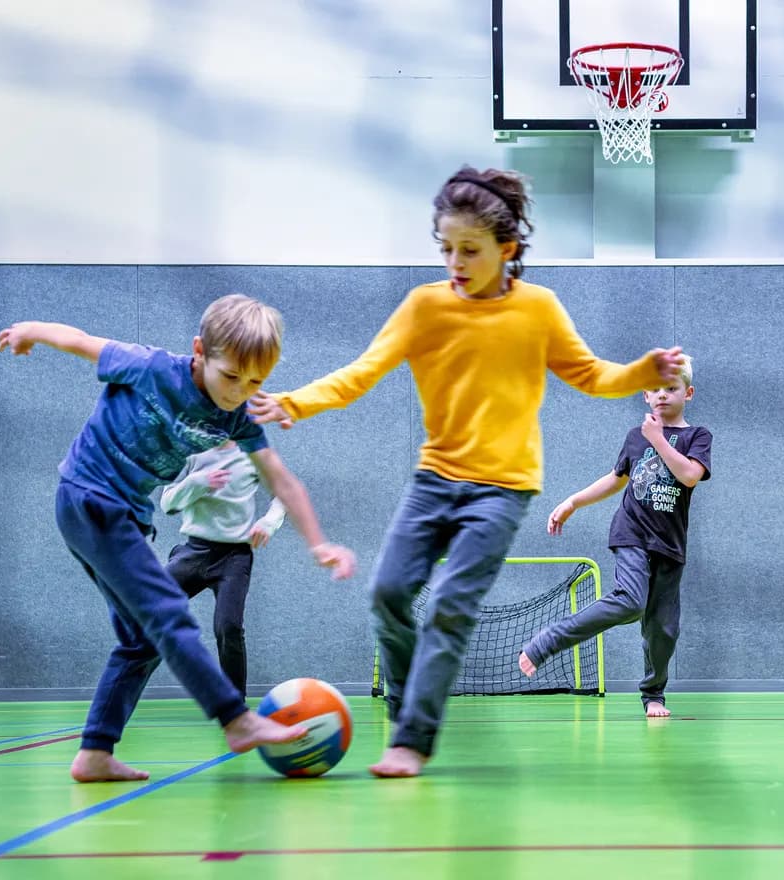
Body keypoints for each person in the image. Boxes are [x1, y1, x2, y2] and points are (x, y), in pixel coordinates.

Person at [249, 166, 685, 777]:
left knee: (453, 605)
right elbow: (362, 371)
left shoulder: (539, 310)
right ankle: (406, 707)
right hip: (435, 480)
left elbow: (591, 375)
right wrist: (292, 402)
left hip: (503, 489)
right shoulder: (424, 307)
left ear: (507, 250)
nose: (455, 261)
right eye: (446, 247)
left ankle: (413, 739)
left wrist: (643, 370)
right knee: (388, 594)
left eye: (470, 249)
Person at [0, 294, 356, 782]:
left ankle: (95, 753)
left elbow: (280, 479)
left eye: (255, 382)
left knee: (140, 640)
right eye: (231, 377)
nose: (239, 392)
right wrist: (29, 330)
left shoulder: (237, 415)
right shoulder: (149, 368)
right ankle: (236, 718)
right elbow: (80, 341)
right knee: (169, 612)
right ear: (200, 352)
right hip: (90, 498)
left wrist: (318, 543)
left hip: (120, 515)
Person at [519, 359, 711, 718]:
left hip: (670, 544)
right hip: (632, 533)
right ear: (645, 395)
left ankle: (654, 693)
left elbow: (688, 476)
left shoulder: (696, 436)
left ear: (687, 393)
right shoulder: (635, 437)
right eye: (655, 389)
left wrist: (659, 440)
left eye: (671, 389)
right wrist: (574, 501)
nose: (662, 395)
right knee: (630, 601)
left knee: (663, 630)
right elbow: (616, 477)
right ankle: (550, 640)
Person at [161, 439, 289, 696]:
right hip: (194, 552)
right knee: (146, 612)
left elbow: (283, 496)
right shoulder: (187, 450)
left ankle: (235, 707)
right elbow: (167, 503)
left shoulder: (252, 452)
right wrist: (198, 482)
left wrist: (269, 522)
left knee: (228, 627)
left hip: (233, 557)